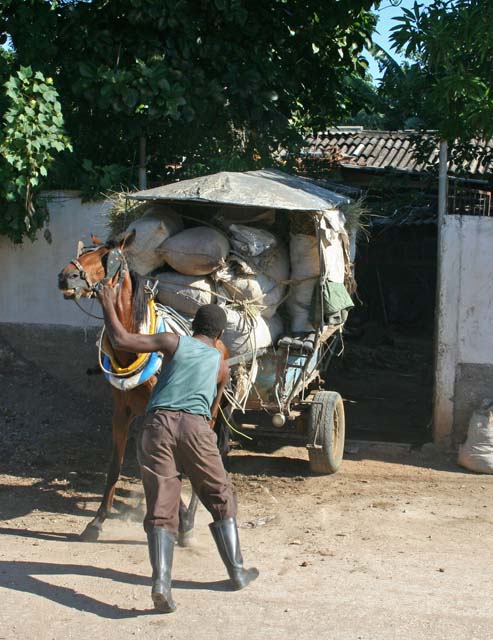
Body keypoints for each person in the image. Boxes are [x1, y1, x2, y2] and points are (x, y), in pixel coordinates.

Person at [97, 284, 258, 613]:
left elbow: (122, 341)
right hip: (197, 429)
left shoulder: (173, 342)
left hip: (157, 426)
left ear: (193, 327)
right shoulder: (221, 365)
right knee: (220, 494)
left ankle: (161, 584)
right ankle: (238, 571)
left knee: (161, 503)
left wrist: (106, 305)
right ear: (219, 334)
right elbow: (213, 413)